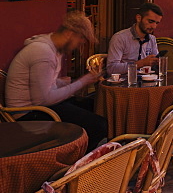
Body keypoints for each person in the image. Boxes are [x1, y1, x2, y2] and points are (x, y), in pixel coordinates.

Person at [5, 11, 107, 148]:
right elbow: (44, 99)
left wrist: (69, 81)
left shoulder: (53, 48)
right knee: (99, 125)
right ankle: (77, 165)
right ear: (69, 33)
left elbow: (44, 84)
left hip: (40, 106)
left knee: (94, 104)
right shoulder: (43, 52)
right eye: (81, 38)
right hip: (27, 114)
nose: (81, 43)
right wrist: (82, 82)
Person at [107, 2, 163, 74]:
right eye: (150, 21)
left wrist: (157, 63)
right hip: (125, 82)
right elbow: (111, 69)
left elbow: (154, 67)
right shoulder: (120, 38)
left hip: (147, 81)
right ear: (139, 18)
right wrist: (141, 63)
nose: (154, 26)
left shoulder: (152, 39)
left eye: (157, 23)